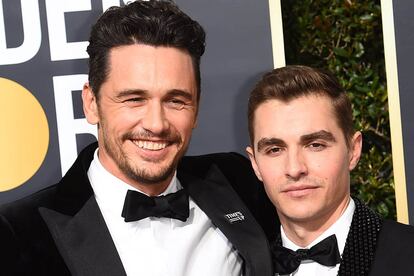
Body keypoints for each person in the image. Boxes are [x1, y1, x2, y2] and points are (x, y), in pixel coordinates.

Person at [0, 1, 277, 275]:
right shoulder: (19, 232)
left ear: (196, 107)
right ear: (91, 103)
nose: (156, 124)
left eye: (176, 100)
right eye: (134, 99)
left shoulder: (236, 180)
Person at [246, 65, 414, 276]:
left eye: (315, 145)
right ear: (255, 163)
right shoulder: (243, 268)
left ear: (353, 150)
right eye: (275, 149)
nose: (295, 169)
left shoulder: (408, 254)